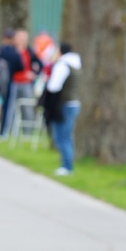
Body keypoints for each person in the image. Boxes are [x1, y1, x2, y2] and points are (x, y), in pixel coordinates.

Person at [43, 42, 82, 176]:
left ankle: (67, 166)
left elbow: (53, 86)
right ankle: (67, 164)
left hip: (64, 104)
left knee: (62, 136)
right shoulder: (76, 64)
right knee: (67, 136)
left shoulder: (63, 65)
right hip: (74, 103)